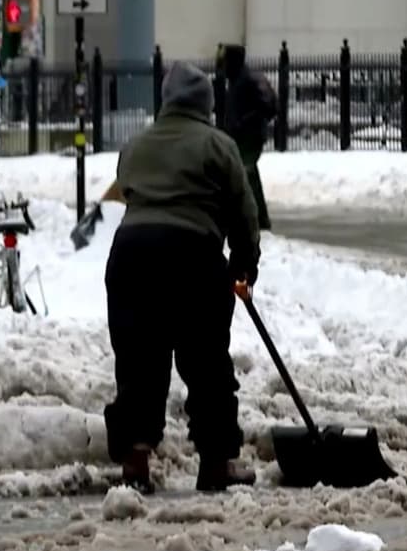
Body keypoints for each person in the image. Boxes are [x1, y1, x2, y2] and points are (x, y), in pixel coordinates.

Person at [104, 61, 262, 495]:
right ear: (207, 104)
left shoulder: (136, 146)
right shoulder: (218, 145)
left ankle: (135, 459)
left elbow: (128, 187)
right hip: (193, 256)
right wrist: (244, 260)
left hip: (132, 256)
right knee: (206, 360)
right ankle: (215, 463)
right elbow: (243, 210)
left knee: (138, 360)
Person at [221, 44, 278, 231]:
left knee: (246, 173)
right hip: (240, 136)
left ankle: (259, 219)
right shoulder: (237, 79)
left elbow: (269, 106)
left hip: (249, 137)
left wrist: (245, 122)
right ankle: (252, 217)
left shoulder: (247, 79)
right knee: (243, 174)